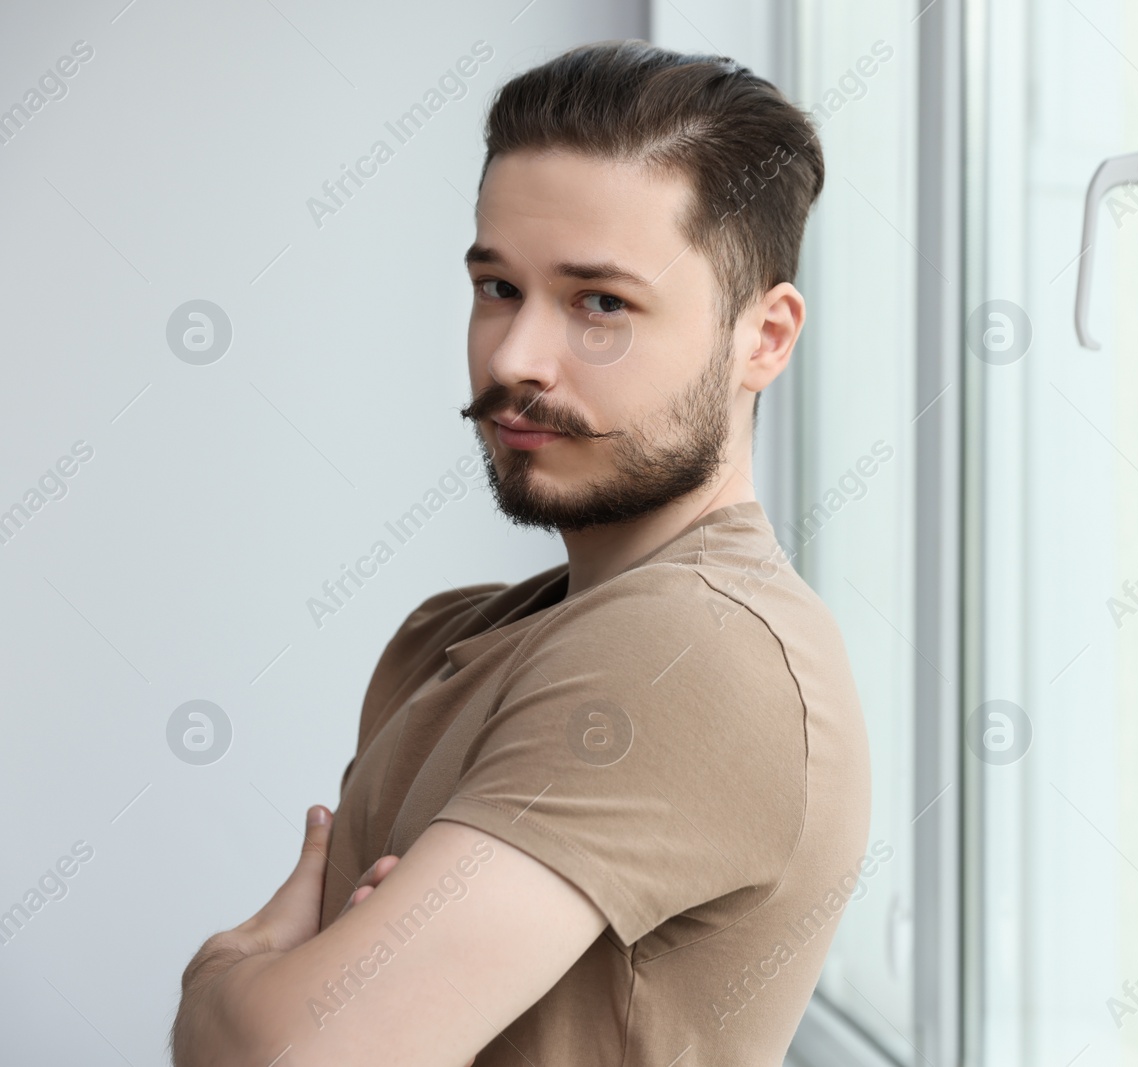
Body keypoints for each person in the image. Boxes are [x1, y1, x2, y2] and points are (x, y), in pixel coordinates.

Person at [170, 39, 872, 1067]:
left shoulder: (697, 651)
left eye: (600, 303)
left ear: (761, 338)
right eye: (498, 286)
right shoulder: (449, 634)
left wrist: (219, 977)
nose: (513, 359)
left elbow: (291, 1055)